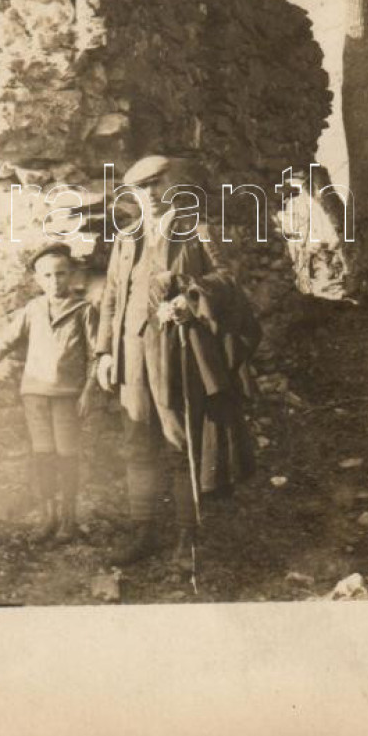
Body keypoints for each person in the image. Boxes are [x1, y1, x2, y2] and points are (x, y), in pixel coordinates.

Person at [95, 154, 249, 569]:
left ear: (175, 184)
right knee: (135, 443)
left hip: (173, 352)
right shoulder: (127, 240)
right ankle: (142, 530)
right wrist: (105, 352)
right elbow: (110, 299)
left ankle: (188, 537)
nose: (151, 195)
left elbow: (228, 281)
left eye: (158, 184)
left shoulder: (195, 232)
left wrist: (191, 296)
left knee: (180, 441)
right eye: (141, 189)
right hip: (130, 356)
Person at [0, 243, 99, 544]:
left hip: (67, 395)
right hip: (35, 393)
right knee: (43, 455)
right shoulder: (32, 310)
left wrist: (89, 391)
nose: (55, 281)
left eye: (61, 274)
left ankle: (68, 519)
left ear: (72, 275)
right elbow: (7, 340)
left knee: (67, 456)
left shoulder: (84, 310)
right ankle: (47, 517)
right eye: (48, 275)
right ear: (38, 279)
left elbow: (95, 354)